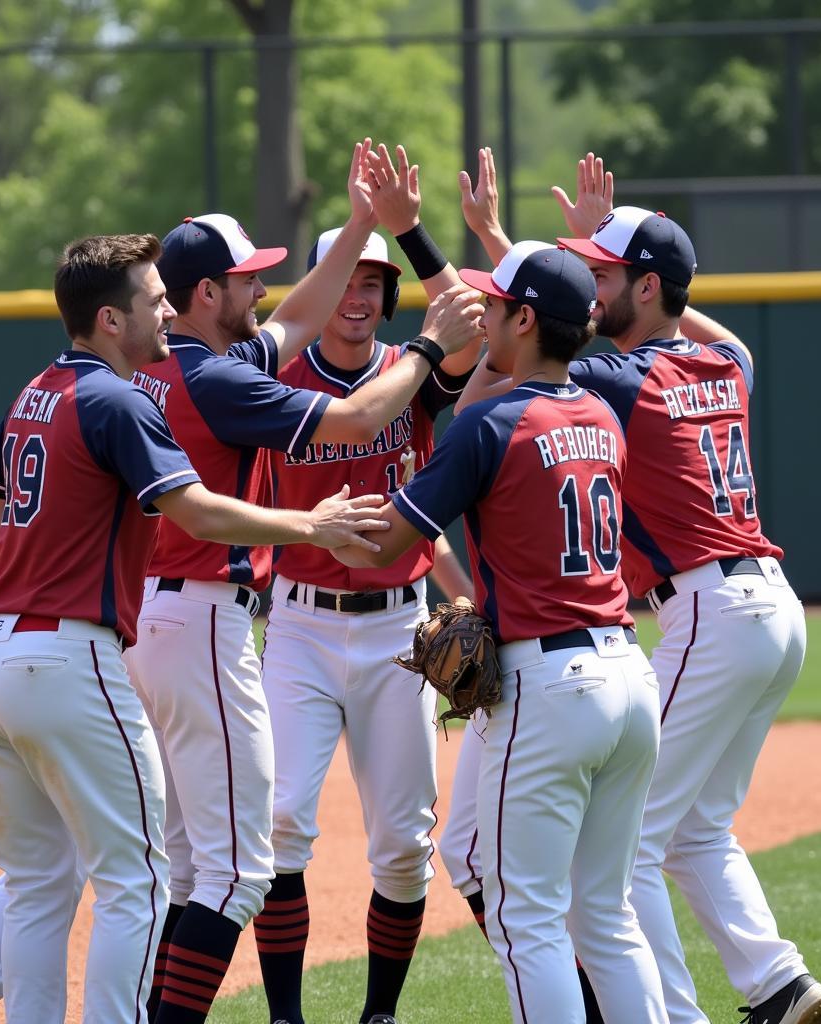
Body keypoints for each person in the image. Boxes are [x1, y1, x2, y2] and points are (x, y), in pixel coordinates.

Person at [0, 142, 484, 1024]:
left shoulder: (79, 381)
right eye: (244, 278)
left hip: (78, 637)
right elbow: (349, 417)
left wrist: (368, 221)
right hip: (191, 628)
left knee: (82, 864)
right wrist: (427, 349)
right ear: (198, 298)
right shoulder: (202, 378)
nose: (262, 289)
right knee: (224, 867)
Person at [456, 148, 821, 1024]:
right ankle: (776, 981)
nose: (590, 290)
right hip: (773, 607)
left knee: (626, 854)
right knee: (696, 827)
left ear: (651, 290)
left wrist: (500, 248)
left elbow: (539, 342)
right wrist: (613, 253)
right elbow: (716, 334)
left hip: (708, 608)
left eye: (605, 274)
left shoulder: (621, 381)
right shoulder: (723, 366)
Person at [331, 240, 668, 1024]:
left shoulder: (489, 425)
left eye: (494, 305)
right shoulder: (598, 415)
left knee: (529, 921)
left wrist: (305, 527)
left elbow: (390, 540)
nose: (481, 312)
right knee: (607, 917)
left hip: (550, 689)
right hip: (626, 673)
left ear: (523, 319)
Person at [251, 148, 483, 1024]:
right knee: (278, 829)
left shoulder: (417, 375)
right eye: (346, 277)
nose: (358, 294)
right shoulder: (272, 376)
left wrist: (410, 232)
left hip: (398, 634)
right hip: (301, 628)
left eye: (374, 281)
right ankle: (283, 1016)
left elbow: (464, 313)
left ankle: (379, 1014)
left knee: (401, 849)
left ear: (389, 296)